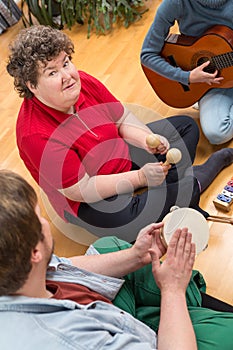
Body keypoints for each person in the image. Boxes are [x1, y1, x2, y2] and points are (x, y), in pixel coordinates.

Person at [7, 25, 233, 241]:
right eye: (52, 72)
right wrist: (140, 177)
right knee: (131, 223)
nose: (67, 75)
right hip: (90, 197)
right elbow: (82, 190)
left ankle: (169, 194)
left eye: (66, 63)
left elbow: (121, 118)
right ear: (32, 86)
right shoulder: (35, 135)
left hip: (121, 156)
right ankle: (201, 174)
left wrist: (146, 139)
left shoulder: (81, 81)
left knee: (186, 127)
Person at [1, 170, 233, 350]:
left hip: (106, 314)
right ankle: (182, 304)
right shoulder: (75, 341)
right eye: (39, 218)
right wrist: (173, 289)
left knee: (109, 245)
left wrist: (135, 256)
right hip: (121, 332)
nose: (45, 222)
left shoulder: (15, 269)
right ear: (34, 253)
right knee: (227, 332)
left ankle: (177, 302)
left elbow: (62, 268)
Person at [141, 0, 233, 145]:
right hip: (208, 85)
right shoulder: (176, 3)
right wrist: (187, 76)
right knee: (217, 134)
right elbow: (148, 55)